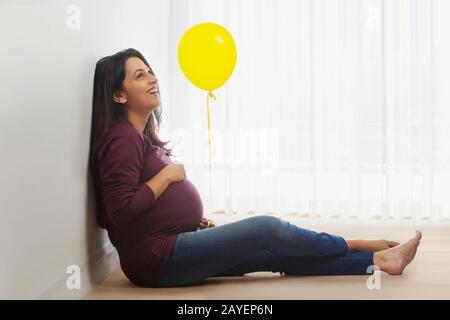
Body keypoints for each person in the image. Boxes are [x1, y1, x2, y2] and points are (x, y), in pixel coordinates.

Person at [89, 48, 422, 288]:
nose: (152, 78)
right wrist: (168, 175)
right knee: (267, 229)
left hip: (172, 246)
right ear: (119, 95)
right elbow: (117, 213)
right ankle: (355, 243)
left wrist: (190, 221)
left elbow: (132, 203)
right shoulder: (122, 139)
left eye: (149, 70)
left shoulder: (139, 137)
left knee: (270, 252)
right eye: (139, 75)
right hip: (158, 261)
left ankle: (378, 262)